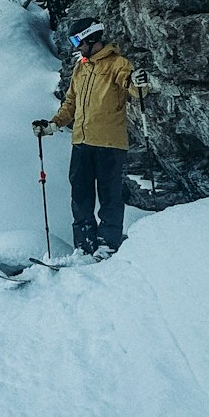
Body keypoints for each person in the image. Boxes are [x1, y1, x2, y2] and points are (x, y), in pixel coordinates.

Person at [32, 19, 150, 258]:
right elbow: (71, 104)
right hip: (82, 143)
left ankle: (107, 245)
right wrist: (53, 125)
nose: (75, 47)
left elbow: (135, 89)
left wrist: (140, 83)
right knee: (81, 196)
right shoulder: (81, 68)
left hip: (109, 143)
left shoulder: (118, 63)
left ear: (91, 39)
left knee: (110, 196)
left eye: (77, 41)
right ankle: (84, 247)